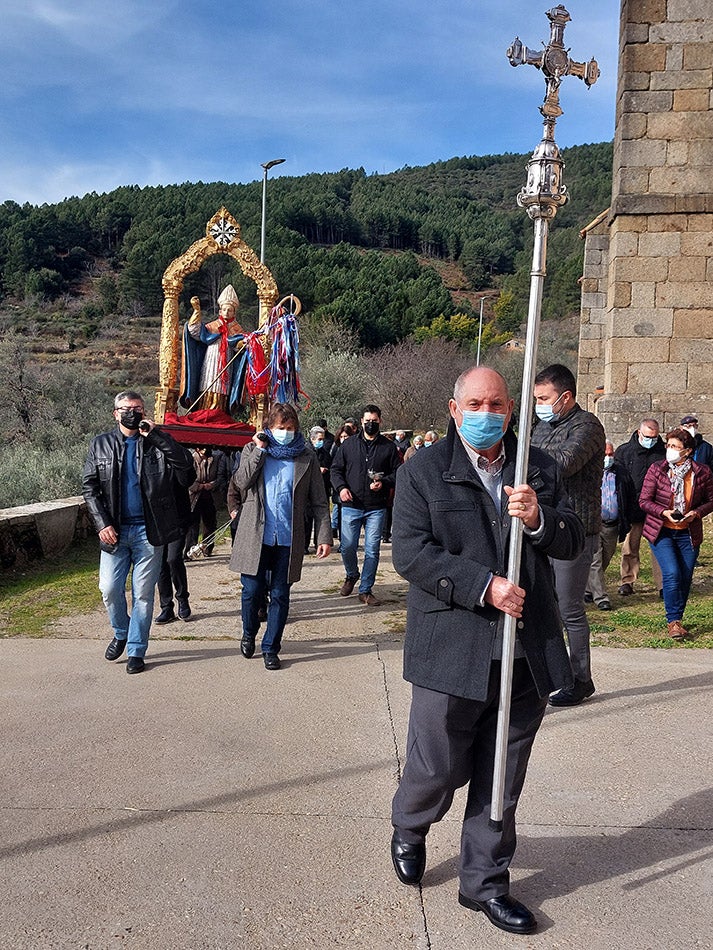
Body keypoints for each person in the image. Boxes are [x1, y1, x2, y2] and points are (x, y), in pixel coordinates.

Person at [390, 366, 583, 936]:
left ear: (510, 408)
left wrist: (541, 519)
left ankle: (485, 883)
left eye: (496, 403)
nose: (486, 413)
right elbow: (411, 554)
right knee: (438, 765)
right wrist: (484, 585)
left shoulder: (537, 468)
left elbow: (572, 537)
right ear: (454, 410)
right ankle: (411, 823)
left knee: (502, 770)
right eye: (475, 403)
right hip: (450, 645)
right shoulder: (424, 471)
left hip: (524, 649)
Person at [82, 391, 196, 673]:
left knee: (143, 595)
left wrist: (158, 436)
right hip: (115, 532)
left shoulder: (156, 444)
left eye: (137, 408)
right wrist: (102, 523)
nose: (131, 412)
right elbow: (90, 488)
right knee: (109, 589)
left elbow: (187, 473)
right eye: (126, 408)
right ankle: (121, 631)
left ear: (144, 412)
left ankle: (136, 650)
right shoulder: (101, 444)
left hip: (149, 531)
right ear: (115, 413)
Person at [228, 403, 331, 670]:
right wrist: (260, 451)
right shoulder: (253, 450)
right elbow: (241, 482)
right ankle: (249, 632)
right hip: (256, 535)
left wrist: (323, 536)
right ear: (268, 428)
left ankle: (271, 648)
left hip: (288, 536)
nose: (285, 433)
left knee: (281, 595)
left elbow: (319, 500)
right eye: (280, 428)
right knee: (251, 591)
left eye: (290, 428)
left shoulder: (306, 456)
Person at [532, 363, 605, 707]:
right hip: (542, 527)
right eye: (536, 399)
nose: (539, 405)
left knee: (569, 607)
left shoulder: (588, 426)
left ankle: (580, 679)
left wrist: (526, 459)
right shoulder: (541, 427)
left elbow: (563, 463)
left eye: (544, 398)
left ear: (566, 397)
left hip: (575, 530)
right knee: (543, 605)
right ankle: (549, 674)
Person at [639, 427, 713, 640]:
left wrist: (695, 513)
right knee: (671, 573)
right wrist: (664, 512)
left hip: (688, 532)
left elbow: (710, 500)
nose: (670, 450)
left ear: (687, 451)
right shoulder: (657, 469)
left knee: (685, 576)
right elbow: (644, 500)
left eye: (675, 447)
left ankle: (677, 617)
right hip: (661, 531)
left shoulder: (702, 472)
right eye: (668, 445)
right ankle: (673, 621)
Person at [330, 404, 402, 606]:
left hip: (376, 507)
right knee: (347, 547)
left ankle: (365, 589)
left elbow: (399, 472)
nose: (371, 424)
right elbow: (336, 470)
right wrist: (341, 488)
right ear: (361, 422)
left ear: (380, 422)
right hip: (351, 504)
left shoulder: (388, 448)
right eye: (367, 421)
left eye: (374, 421)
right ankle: (352, 574)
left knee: (372, 550)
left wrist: (385, 482)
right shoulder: (348, 445)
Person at [614, 418, 666, 596]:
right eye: (647, 436)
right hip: (633, 508)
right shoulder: (624, 452)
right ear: (639, 433)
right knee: (630, 548)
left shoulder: (664, 452)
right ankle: (627, 581)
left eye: (654, 436)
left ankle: (662, 585)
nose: (651, 440)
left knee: (659, 548)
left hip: (656, 510)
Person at [585, 441, 636, 611]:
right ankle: (601, 598)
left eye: (610, 454)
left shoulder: (621, 473)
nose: (608, 458)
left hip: (612, 525)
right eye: (605, 454)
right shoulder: (588, 472)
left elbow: (628, 496)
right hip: (593, 523)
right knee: (595, 560)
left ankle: (587, 588)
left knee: (606, 557)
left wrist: (627, 519)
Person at [180, 284, 246, 413]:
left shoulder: (237, 329)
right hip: (211, 358)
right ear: (220, 311)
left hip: (227, 361)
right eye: (224, 310)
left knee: (223, 385)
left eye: (230, 310)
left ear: (234, 312)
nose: (227, 312)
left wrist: (242, 343)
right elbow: (194, 331)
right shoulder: (212, 326)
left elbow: (240, 347)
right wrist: (197, 311)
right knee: (208, 380)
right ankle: (204, 410)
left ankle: (221, 412)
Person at [155, 466, 194, 624]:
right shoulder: (147, 456)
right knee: (160, 564)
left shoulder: (176, 456)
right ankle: (166, 607)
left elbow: (187, 479)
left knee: (173, 559)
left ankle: (182, 599)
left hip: (178, 519)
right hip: (157, 522)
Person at [185, 447, 220, 557]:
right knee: (192, 525)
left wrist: (212, 484)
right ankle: (189, 550)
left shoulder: (215, 459)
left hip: (210, 496)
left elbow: (220, 476)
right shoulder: (190, 459)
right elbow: (186, 478)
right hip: (194, 496)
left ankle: (207, 548)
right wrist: (199, 486)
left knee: (210, 524)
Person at [304, 425, 332, 552]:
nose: (322, 441)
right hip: (307, 492)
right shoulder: (305, 452)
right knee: (306, 520)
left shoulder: (324, 453)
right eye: (320, 439)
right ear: (312, 438)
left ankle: (319, 542)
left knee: (321, 517)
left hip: (323, 488)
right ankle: (304, 545)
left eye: (323, 439)